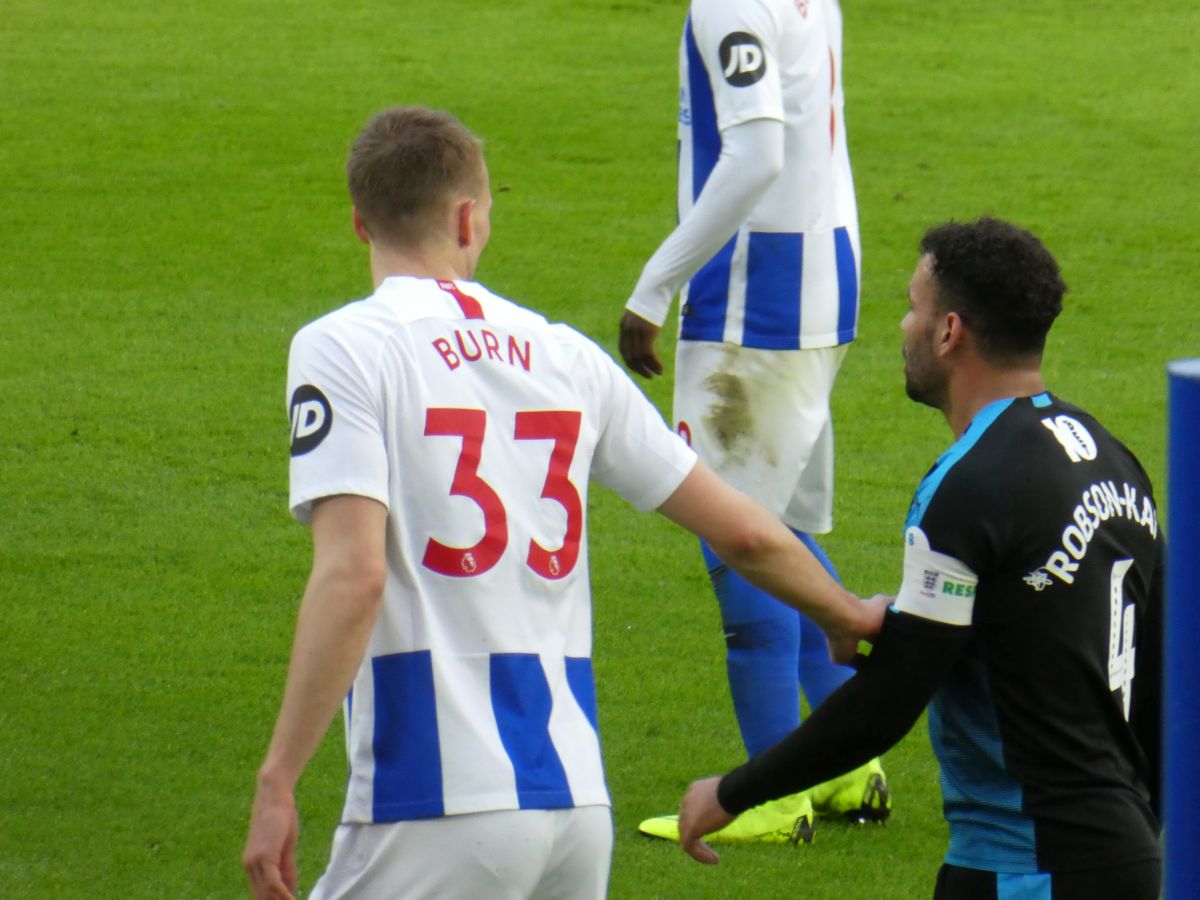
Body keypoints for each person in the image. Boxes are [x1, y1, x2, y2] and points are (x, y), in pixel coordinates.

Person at [241, 106, 888, 900]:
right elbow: (748, 534)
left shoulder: (343, 347)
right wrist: (845, 614)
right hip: (575, 805)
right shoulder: (564, 356)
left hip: (431, 799)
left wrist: (278, 781)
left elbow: (354, 576)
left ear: (358, 223)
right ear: (469, 216)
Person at [677, 217, 1164, 899]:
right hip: (1126, 855)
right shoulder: (1116, 463)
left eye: (914, 307)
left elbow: (890, 700)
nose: (904, 325)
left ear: (950, 332)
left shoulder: (969, 484)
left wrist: (735, 791)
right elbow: (1144, 671)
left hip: (1024, 867)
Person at [622, 0, 888, 842]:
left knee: (738, 544)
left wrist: (655, 285)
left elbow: (758, 149)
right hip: (822, 277)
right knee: (785, 535)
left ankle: (770, 798)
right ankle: (847, 768)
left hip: (753, 299)